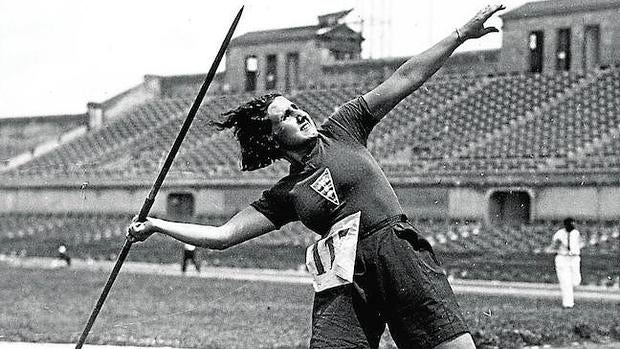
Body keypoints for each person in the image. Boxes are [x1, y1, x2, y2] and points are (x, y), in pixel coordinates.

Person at [128, 5, 505, 348]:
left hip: (396, 252)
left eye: (295, 107)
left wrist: (460, 35)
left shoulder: (343, 125)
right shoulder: (285, 194)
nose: (300, 114)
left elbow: (406, 76)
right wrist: (157, 225)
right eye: (286, 117)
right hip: (344, 276)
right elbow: (223, 236)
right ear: (273, 139)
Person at [547, 217, 583, 309]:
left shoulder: (576, 233)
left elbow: (581, 243)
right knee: (566, 282)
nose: (572, 226)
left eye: (573, 224)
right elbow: (554, 246)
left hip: (574, 258)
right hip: (563, 258)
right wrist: (557, 245)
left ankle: (569, 298)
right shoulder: (559, 234)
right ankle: (568, 304)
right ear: (565, 225)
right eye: (570, 224)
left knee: (576, 281)